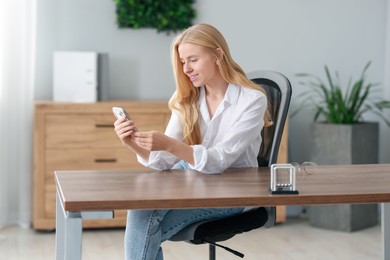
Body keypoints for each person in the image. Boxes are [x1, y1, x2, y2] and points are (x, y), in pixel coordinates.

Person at [114, 23, 272, 260]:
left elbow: (219, 160)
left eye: (193, 60)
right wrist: (132, 142)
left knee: (145, 227)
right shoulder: (187, 99)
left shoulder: (251, 100)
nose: (186, 68)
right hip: (194, 176)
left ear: (217, 55)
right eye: (182, 62)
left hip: (235, 189)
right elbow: (163, 162)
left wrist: (169, 144)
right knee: (141, 210)